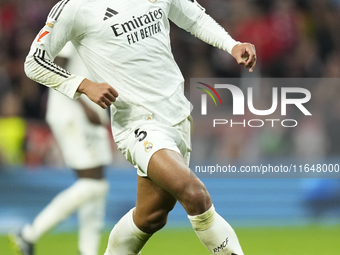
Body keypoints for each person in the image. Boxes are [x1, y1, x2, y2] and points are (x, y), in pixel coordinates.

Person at [24, 0, 256, 254]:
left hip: (177, 114)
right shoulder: (76, 7)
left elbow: (195, 18)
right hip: (137, 123)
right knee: (194, 193)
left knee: (151, 217)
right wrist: (83, 84)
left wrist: (232, 45)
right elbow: (34, 61)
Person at [11, 42, 113, 255]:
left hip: (89, 112)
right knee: (94, 185)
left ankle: (88, 250)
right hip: (73, 113)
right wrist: (84, 105)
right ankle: (29, 233)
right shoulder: (76, 21)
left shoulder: (99, 24)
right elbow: (58, 68)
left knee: (96, 183)